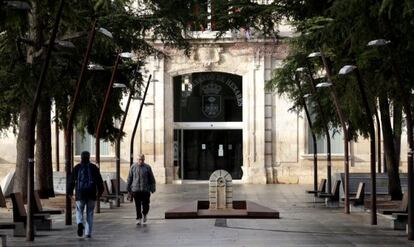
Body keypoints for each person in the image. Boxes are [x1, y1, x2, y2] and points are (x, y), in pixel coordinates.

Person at [68, 151, 104, 238]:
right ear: (89, 157)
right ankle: (88, 233)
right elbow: (99, 181)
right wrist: (100, 192)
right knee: (90, 213)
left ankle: (80, 223)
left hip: (80, 194)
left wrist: (69, 192)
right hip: (91, 193)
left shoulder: (77, 167)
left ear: (81, 157)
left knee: (79, 210)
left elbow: (71, 181)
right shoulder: (93, 167)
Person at [127, 154, 156, 225]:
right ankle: (138, 218)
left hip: (145, 190)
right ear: (137, 160)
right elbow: (130, 178)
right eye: (139, 159)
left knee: (146, 205)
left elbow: (151, 179)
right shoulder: (133, 167)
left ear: (144, 160)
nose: (141, 161)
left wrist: (152, 188)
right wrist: (128, 188)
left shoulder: (147, 167)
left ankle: (144, 213)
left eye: (142, 159)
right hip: (136, 190)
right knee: (137, 205)